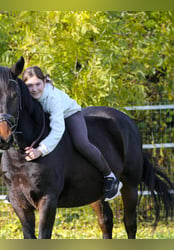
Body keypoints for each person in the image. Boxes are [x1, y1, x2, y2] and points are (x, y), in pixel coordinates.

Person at [21, 66, 122, 202]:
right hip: (46, 116)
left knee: (81, 143)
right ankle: (16, 186)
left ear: (44, 82)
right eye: (30, 86)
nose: (34, 89)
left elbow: (57, 129)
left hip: (70, 114)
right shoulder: (26, 95)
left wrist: (41, 150)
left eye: (38, 84)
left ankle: (110, 177)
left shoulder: (52, 98)